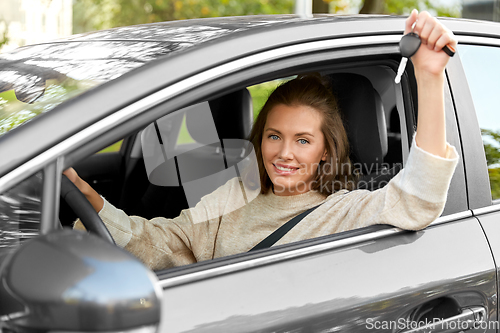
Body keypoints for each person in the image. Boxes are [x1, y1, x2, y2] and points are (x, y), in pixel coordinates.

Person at [65, 10, 459, 270]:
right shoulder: (232, 196)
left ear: (326, 151)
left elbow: (416, 201)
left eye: (303, 140)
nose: (284, 153)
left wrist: (429, 75)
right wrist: (95, 205)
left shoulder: (342, 210)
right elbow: (167, 242)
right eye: (274, 136)